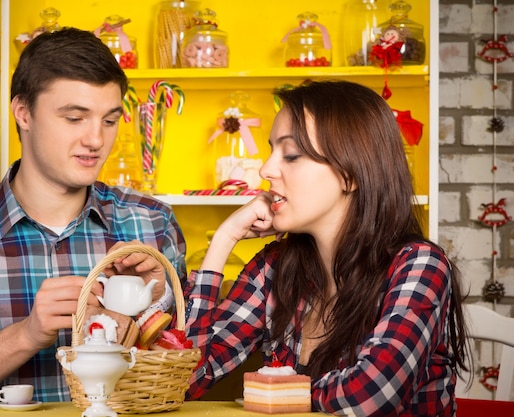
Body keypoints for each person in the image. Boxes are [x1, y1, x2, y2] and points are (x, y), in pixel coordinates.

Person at [0, 28, 187, 417]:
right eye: (74, 118)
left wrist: (155, 305)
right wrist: (27, 334)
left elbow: (189, 374)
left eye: (110, 120)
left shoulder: (152, 224)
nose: (96, 140)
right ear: (24, 112)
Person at [184, 80, 468, 416]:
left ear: (351, 174)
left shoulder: (419, 265)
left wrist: (275, 391)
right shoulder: (276, 267)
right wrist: (224, 239)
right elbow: (186, 377)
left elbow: (370, 394)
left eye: (290, 154)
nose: (266, 169)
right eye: (271, 150)